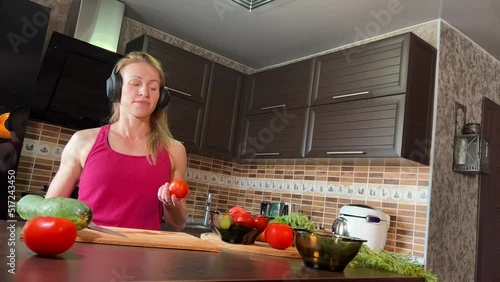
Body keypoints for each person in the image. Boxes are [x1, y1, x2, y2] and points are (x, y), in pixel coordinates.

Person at [45, 52, 188, 231]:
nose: (144, 92)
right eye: (135, 84)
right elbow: (49, 210)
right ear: (116, 89)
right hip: (88, 253)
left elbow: (178, 224)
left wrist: (171, 205)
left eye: (153, 88)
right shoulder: (82, 141)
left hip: (144, 254)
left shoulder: (174, 150)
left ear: (161, 97)